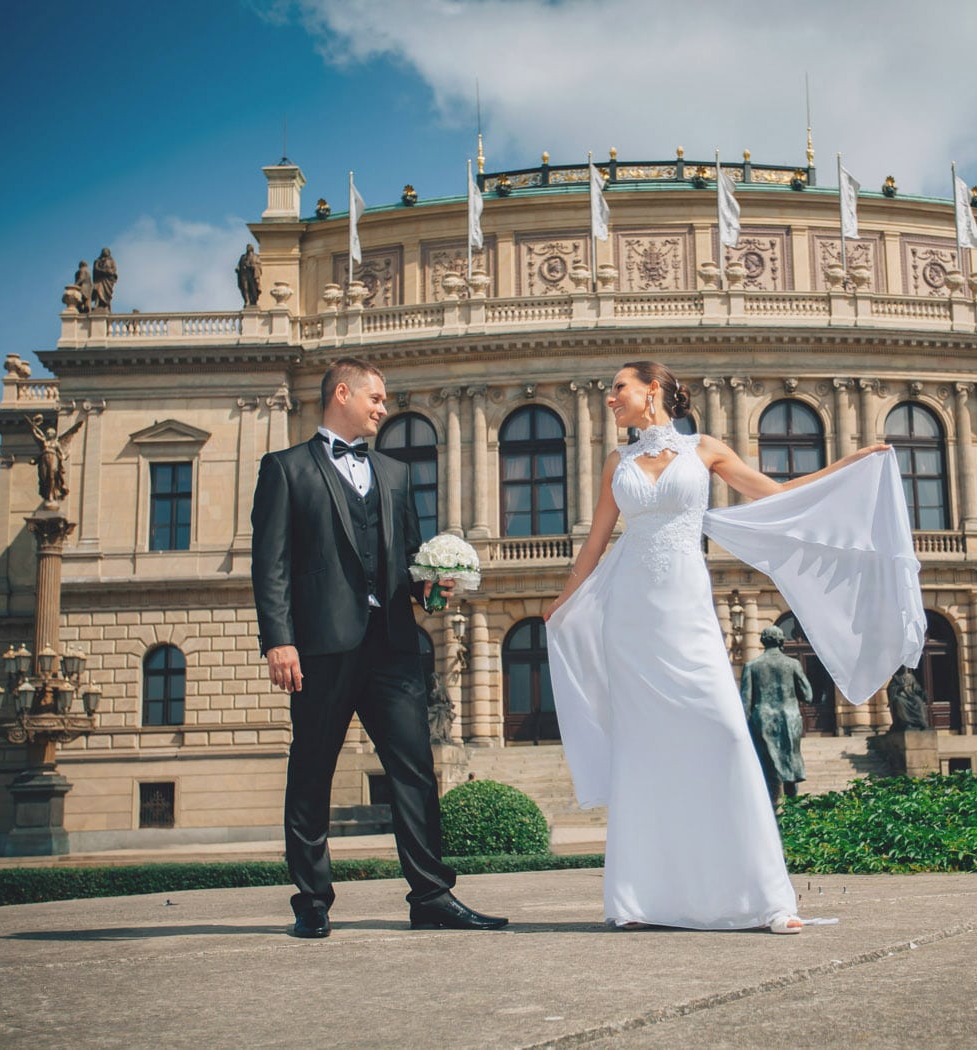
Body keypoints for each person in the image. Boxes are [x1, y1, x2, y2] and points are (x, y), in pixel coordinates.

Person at [546, 360, 924, 934]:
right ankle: (640, 900)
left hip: (686, 610)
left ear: (653, 390)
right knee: (643, 749)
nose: (609, 398)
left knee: (723, 731)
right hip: (628, 616)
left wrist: (849, 465)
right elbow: (594, 548)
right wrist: (561, 604)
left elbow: (775, 495)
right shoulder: (615, 463)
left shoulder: (706, 450)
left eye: (618, 388)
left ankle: (766, 900)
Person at [251, 357, 506, 939]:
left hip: (393, 642)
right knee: (312, 770)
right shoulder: (285, 469)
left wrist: (435, 589)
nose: (384, 409)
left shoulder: (393, 472)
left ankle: (432, 896)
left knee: (415, 770)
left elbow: (410, 562)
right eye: (377, 398)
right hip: (319, 647)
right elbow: (271, 566)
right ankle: (312, 899)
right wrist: (279, 640)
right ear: (343, 393)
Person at [741, 626, 810, 805]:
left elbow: (745, 702)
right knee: (790, 760)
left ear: (763, 642)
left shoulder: (751, 666)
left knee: (768, 765)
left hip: (762, 719)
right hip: (790, 718)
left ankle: (772, 808)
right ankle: (794, 810)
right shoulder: (793, 664)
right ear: (781, 641)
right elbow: (808, 695)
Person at [237, 244, 262, 308]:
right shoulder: (243, 257)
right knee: (245, 288)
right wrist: (238, 268)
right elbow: (239, 265)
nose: (248, 248)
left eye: (249, 247)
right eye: (247, 247)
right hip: (244, 275)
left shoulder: (256, 256)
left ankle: (253, 300)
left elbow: (259, 266)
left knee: (253, 287)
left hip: (252, 275)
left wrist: (253, 266)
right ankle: (247, 301)